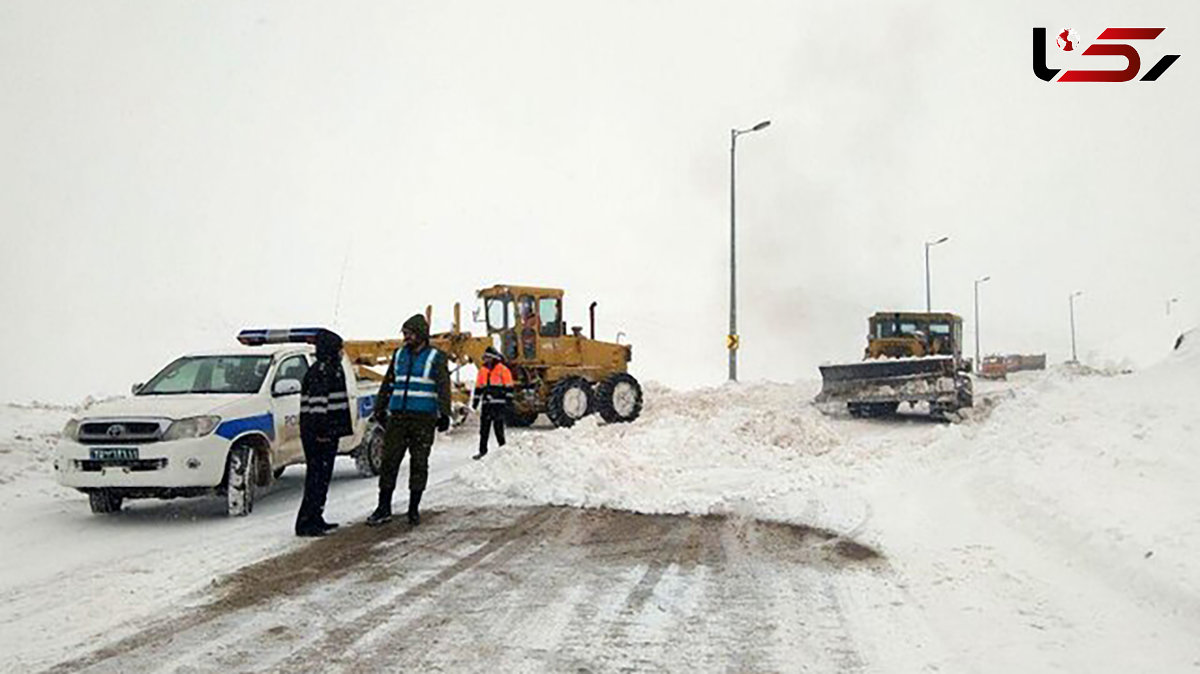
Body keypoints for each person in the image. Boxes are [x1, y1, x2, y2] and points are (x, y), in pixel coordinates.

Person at [367, 314, 452, 526]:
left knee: (419, 463)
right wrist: (380, 408)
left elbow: (443, 387)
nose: (406, 338)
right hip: (398, 418)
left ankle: (413, 509)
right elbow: (387, 384)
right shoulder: (398, 355)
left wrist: (444, 413)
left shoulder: (436, 357)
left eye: (409, 333)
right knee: (389, 462)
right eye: (404, 334)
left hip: (423, 419)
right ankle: (383, 507)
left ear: (421, 335)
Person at [295, 330, 352, 537]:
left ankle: (316, 517)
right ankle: (306, 523)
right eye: (338, 348)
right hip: (319, 434)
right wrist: (321, 431)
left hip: (328, 432)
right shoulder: (321, 371)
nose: (341, 352)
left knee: (322, 478)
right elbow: (318, 405)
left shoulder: (331, 368)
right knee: (316, 478)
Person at [472, 346, 513, 460]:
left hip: (498, 405)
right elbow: (479, 387)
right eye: (485, 358)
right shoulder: (482, 370)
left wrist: (508, 402)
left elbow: (509, 387)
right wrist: (475, 401)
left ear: (493, 358)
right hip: (487, 404)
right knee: (484, 429)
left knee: (498, 428)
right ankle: (482, 451)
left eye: (488, 358)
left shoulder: (503, 370)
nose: (486, 360)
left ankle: (503, 449)